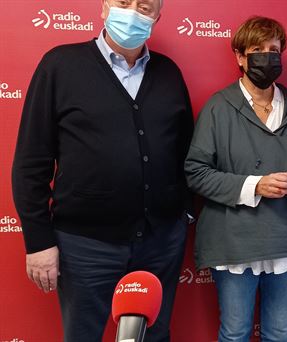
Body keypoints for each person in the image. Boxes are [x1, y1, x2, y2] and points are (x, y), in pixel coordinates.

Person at [11, 0, 193, 340]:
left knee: (154, 334)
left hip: (160, 242)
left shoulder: (168, 73)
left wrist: (182, 214)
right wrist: (38, 241)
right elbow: (30, 162)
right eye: (123, 2)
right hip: (85, 245)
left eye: (145, 6)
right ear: (104, 7)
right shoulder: (60, 65)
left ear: (158, 16)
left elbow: (185, 151)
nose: (133, 12)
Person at [184, 16, 287, 342]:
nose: (267, 56)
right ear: (240, 56)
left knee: (278, 332)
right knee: (235, 333)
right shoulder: (218, 108)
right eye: (257, 49)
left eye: (273, 49)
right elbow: (196, 172)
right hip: (234, 241)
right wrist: (254, 186)